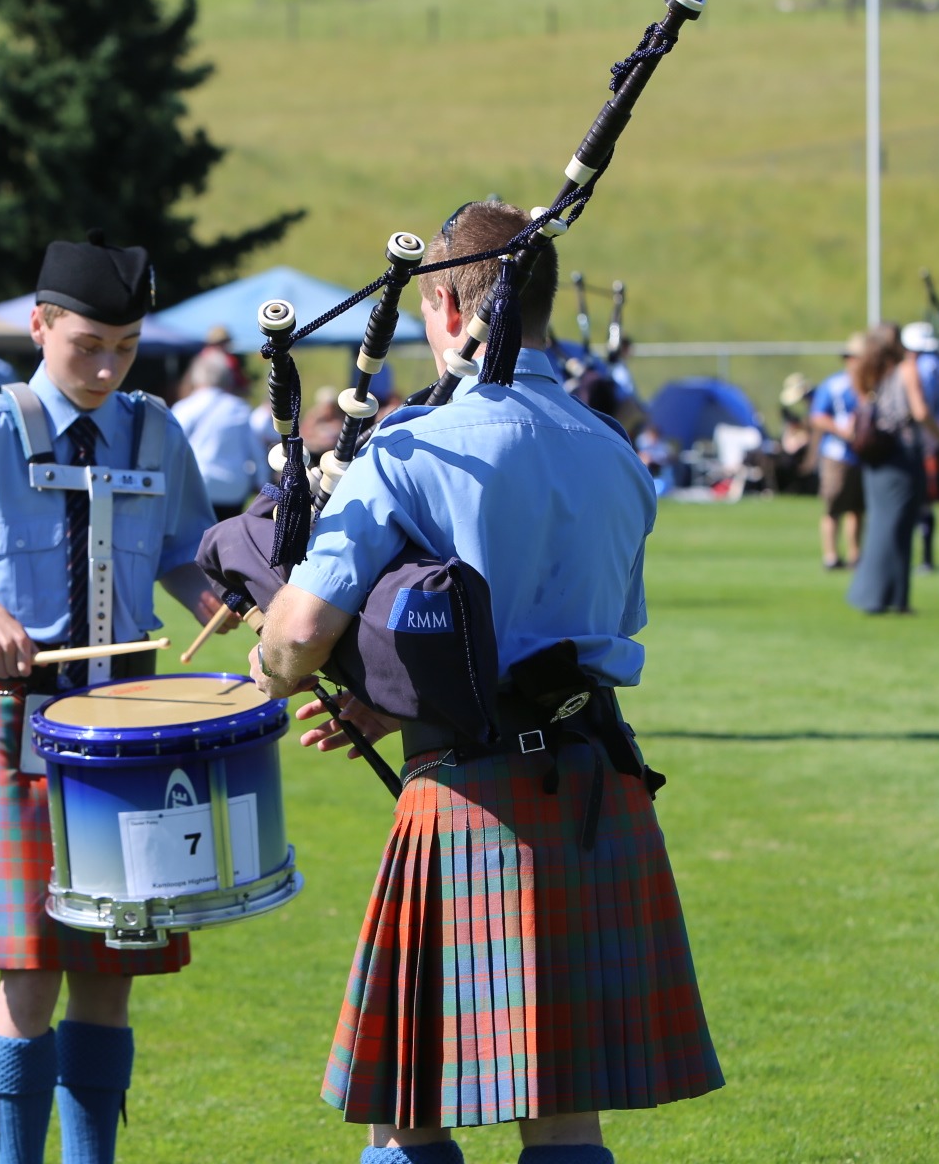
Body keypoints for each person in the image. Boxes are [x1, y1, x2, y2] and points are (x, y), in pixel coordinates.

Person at [249, 201, 721, 1164]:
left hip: (468, 796)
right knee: (564, 1114)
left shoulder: (414, 446)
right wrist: (397, 692)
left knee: (412, 1109)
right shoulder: (618, 455)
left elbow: (300, 633)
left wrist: (269, 658)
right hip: (595, 786)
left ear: (445, 304)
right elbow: (569, 639)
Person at [0, 237, 227, 1164]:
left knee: (110, 979)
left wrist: (219, 605)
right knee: (28, 980)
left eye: (128, 348)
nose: (106, 369)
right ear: (39, 325)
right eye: (88, 345)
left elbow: (186, 549)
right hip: (16, 720)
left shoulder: (157, 431)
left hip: (132, 730)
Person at [847, 325, 939, 615]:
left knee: (882, 524)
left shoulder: (866, 371)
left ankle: (889, 596)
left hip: (876, 455)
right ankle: (884, 597)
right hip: (902, 453)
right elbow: (921, 412)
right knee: (897, 527)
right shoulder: (906, 369)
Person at [172, 349, 265, 521]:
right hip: (233, 489)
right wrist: (262, 482)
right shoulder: (239, 408)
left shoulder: (185, 408)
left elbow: (172, 448)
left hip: (196, 487)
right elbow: (256, 451)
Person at [809, 336, 866, 570]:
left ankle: (856, 555)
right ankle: (831, 555)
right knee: (834, 506)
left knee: (858, 508)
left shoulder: (869, 386)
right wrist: (841, 431)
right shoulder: (834, 385)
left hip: (862, 454)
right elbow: (818, 416)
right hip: (837, 454)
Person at [902, 322, 939, 570]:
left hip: (929, 438)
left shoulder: (922, 368)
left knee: (927, 501)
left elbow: (923, 410)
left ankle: (927, 558)